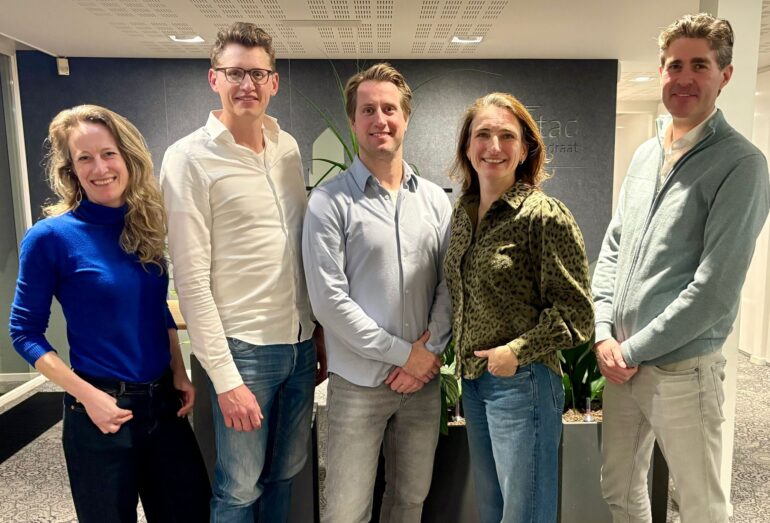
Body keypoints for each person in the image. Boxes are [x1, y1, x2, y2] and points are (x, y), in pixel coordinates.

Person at [592, 13, 770, 523]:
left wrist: (630, 350)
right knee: (619, 490)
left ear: (725, 75)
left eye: (699, 65)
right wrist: (603, 331)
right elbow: (614, 246)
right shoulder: (646, 155)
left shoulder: (741, 164)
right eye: (675, 65)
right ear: (661, 71)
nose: (684, 78)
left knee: (701, 505)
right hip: (622, 362)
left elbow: (713, 291)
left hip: (682, 370)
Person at [8, 104, 210, 522]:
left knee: (191, 513)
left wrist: (178, 370)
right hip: (100, 411)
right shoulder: (50, 237)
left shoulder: (145, 225)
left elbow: (155, 307)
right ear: (71, 169)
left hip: (163, 405)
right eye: (85, 158)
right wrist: (89, 396)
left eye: (108, 154)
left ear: (128, 157)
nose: (99, 168)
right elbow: (24, 333)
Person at [160, 22, 325, 522]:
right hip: (243, 350)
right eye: (235, 73)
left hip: (298, 345)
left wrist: (316, 332)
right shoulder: (188, 159)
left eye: (257, 73)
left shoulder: (287, 147)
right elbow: (191, 281)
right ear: (215, 78)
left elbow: (297, 251)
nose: (246, 84)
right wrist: (226, 380)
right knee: (238, 488)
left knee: (285, 474)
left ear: (274, 81)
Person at [302, 63, 453, 523]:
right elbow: (329, 302)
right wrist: (404, 355)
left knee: (409, 501)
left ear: (406, 118)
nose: (379, 119)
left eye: (389, 109)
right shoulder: (328, 202)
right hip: (358, 385)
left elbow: (450, 283)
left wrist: (428, 353)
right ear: (353, 122)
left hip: (422, 384)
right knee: (346, 512)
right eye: (368, 110)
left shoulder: (435, 200)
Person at [443, 92, 594, 523]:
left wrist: (516, 351)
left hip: (522, 381)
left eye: (507, 136)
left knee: (524, 513)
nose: (494, 146)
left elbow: (578, 314)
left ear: (525, 148)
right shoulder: (463, 213)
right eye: (483, 134)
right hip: (475, 383)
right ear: (467, 146)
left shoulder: (543, 215)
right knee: (493, 509)